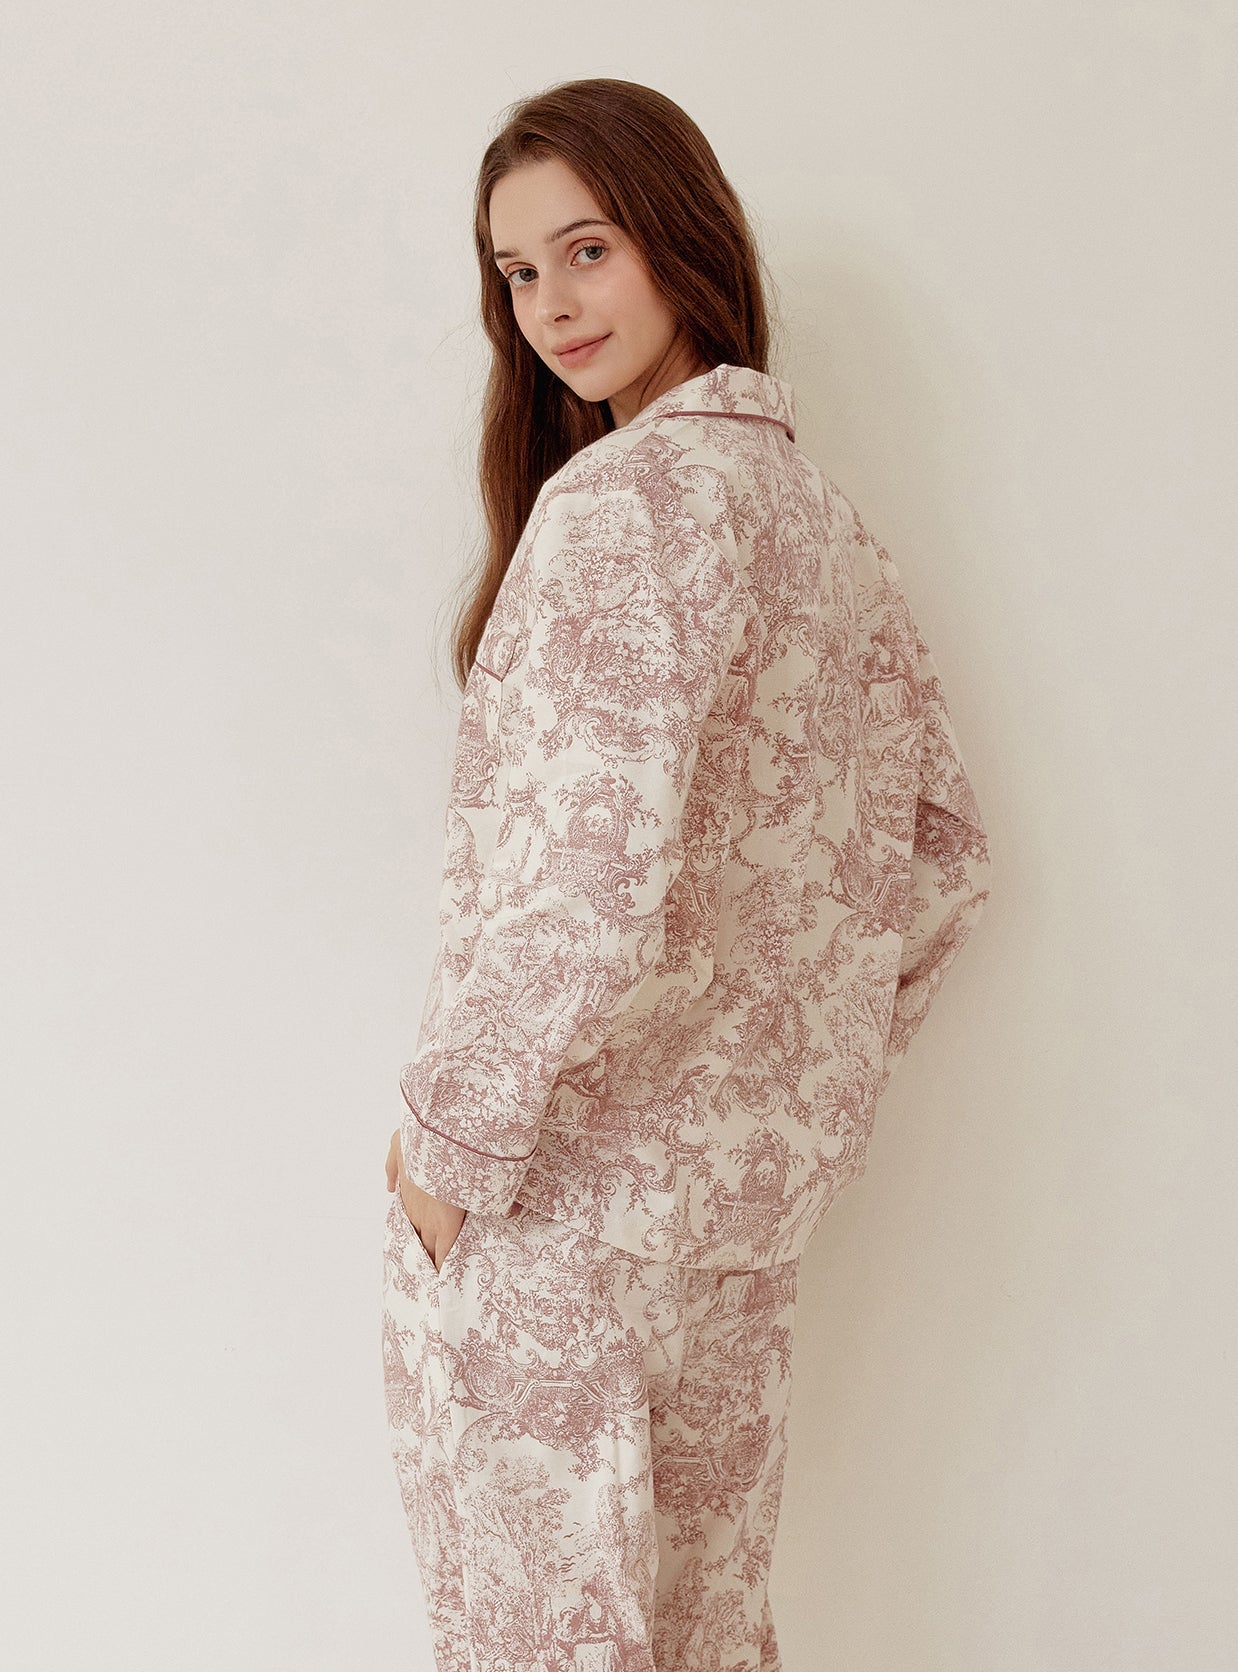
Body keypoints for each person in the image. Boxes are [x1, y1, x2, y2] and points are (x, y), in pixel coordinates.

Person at [380, 76, 993, 1672]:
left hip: (554, 1214)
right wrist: (774, 1092)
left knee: (542, 1644)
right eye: (518, 272)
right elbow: (942, 856)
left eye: (587, 249)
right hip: (730, 1227)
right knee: (705, 1639)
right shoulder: (816, 520)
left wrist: (450, 1154)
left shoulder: (621, 506)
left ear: (681, 238)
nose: (550, 305)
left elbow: (590, 874)